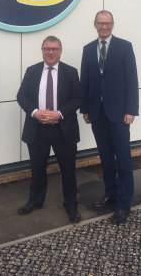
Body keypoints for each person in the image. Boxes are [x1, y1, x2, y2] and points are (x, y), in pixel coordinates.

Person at [17, 36, 83, 223]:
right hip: (37, 129)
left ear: (61, 50)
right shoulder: (32, 71)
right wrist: (35, 112)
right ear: (42, 50)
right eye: (47, 49)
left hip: (63, 129)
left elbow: (78, 98)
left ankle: (71, 205)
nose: (51, 52)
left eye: (54, 49)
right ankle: (36, 201)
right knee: (37, 168)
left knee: (68, 169)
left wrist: (59, 114)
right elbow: (21, 96)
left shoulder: (70, 72)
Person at [80, 11, 139, 224]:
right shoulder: (88, 49)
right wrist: (85, 109)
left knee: (123, 160)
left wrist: (131, 110)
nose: (104, 27)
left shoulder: (125, 46)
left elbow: (132, 79)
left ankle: (124, 204)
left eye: (107, 23)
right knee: (105, 159)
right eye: (100, 23)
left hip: (119, 114)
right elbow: (85, 81)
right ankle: (111, 194)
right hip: (97, 114)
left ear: (113, 24)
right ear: (94, 24)